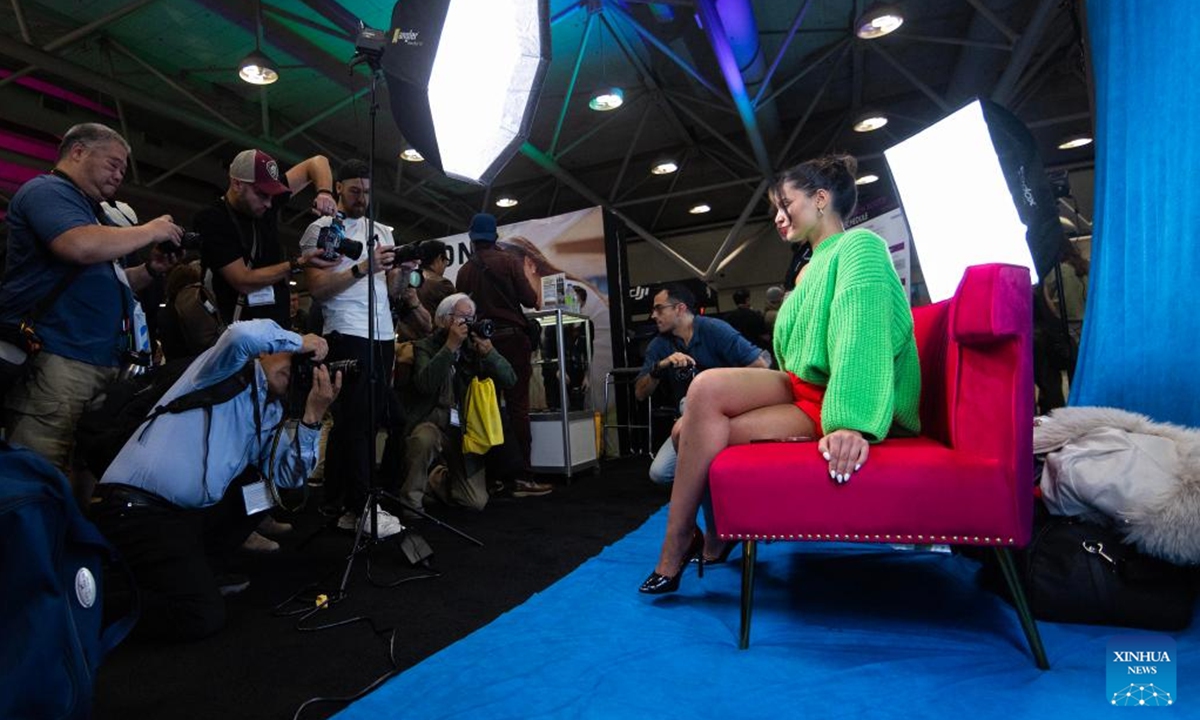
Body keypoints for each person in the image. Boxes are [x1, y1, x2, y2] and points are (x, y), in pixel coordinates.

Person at [639, 154, 921, 594]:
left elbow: (861, 332)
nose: (778, 216)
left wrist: (851, 423)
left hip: (834, 398)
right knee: (701, 394)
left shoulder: (859, 247)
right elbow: (791, 355)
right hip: (801, 390)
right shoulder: (807, 267)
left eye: (786, 204)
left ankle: (682, 544)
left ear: (821, 199)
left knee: (687, 431)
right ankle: (703, 534)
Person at [89, 319, 340, 640]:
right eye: (289, 356)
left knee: (260, 489)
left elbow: (288, 478)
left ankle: (199, 570)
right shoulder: (223, 368)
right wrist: (299, 341)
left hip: (179, 516)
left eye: (302, 364)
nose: (294, 366)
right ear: (266, 351)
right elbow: (241, 334)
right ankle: (94, 606)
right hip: (135, 510)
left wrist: (312, 418)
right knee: (202, 615)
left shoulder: (273, 413)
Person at [0, 123, 182, 494]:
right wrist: (151, 230)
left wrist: (150, 270)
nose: (119, 175)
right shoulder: (47, 191)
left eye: (123, 169)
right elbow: (78, 246)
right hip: (57, 357)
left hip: (99, 361)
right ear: (78, 151)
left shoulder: (94, 213)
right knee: (39, 471)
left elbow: (113, 282)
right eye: (113, 164)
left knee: (86, 468)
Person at [299, 159, 413, 537]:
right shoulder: (321, 229)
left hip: (383, 335)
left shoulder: (382, 230)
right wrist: (363, 267)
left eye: (366, 192)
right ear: (339, 188)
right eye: (353, 191)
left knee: (381, 419)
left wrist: (402, 273)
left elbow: (392, 291)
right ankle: (363, 505)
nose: (361, 198)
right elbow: (318, 290)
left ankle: (349, 503)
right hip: (345, 331)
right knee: (357, 422)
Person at [636, 283, 767, 550]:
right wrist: (660, 368)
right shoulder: (660, 345)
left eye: (659, 309)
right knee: (660, 473)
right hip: (690, 423)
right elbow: (640, 393)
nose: (653, 315)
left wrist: (719, 388)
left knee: (693, 403)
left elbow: (761, 367)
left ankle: (716, 534)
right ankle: (723, 523)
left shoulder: (715, 330)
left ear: (680, 308)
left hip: (728, 418)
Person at [454, 214, 553, 497]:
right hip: (512, 341)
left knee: (488, 409)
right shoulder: (508, 262)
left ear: (472, 239)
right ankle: (523, 478)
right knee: (518, 408)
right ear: (494, 236)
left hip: (481, 343)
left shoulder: (464, 271)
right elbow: (529, 299)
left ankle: (493, 477)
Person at [399, 293, 518, 515]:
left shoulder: (474, 349)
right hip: (431, 422)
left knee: (475, 502)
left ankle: (436, 479)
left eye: (472, 318)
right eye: (462, 318)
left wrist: (490, 353)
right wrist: (450, 347)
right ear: (443, 320)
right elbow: (425, 384)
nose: (468, 324)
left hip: (462, 430)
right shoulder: (425, 346)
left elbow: (510, 379)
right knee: (423, 439)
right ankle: (411, 502)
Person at [195, 148, 339, 328]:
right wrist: (297, 264)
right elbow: (242, 280)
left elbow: (317, 162)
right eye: (262, 194)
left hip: (277, 321)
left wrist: (325, 192)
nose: (270, 203)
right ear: (237, 184)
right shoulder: (213, 219)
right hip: (239, 329)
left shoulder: (265, 201)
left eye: (272, 195)